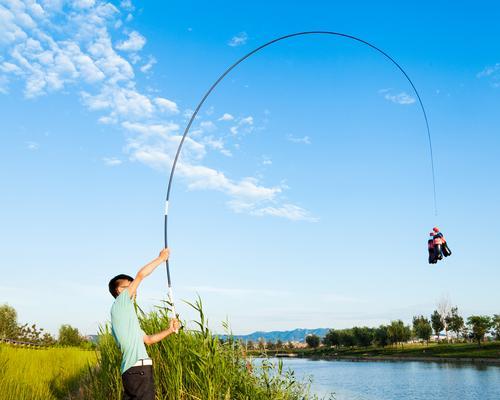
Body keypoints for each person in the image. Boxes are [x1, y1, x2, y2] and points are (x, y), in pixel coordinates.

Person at [108, 248, 180, 400]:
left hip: (132, 372)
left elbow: (148, 340)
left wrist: (170, 329)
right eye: (126, 287)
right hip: (138, 369)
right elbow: (140, 276)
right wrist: (161, 259)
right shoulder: (121, 303)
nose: (132, 289)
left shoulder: (126, 319)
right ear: (117, 291)